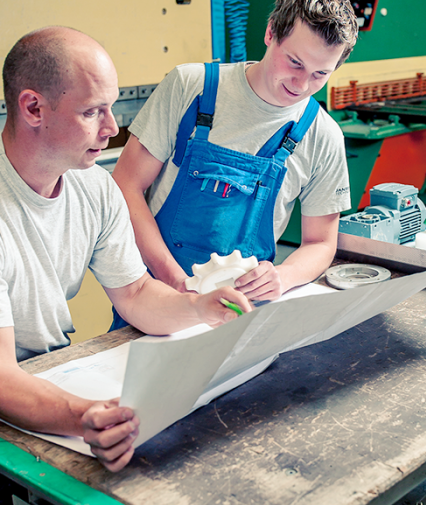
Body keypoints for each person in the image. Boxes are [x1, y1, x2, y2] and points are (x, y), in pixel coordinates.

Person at [0, 26, 251, 474]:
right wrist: (84, 418)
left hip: (45, 363)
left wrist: (198, 307)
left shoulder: (94, 186)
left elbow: (135, 294)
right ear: (34, 107)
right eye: (93, 112)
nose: (112, 128)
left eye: (110, 108)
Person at [110, 0, 358, 329]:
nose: (300, 84)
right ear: (271, 34)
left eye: (319, 74)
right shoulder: (191, 87)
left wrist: (282, 278)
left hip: (241, 314)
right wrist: (177, 284)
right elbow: (126, 186)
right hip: (156, 303)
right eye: (294, 62)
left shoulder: (323, 136)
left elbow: (321, 242)